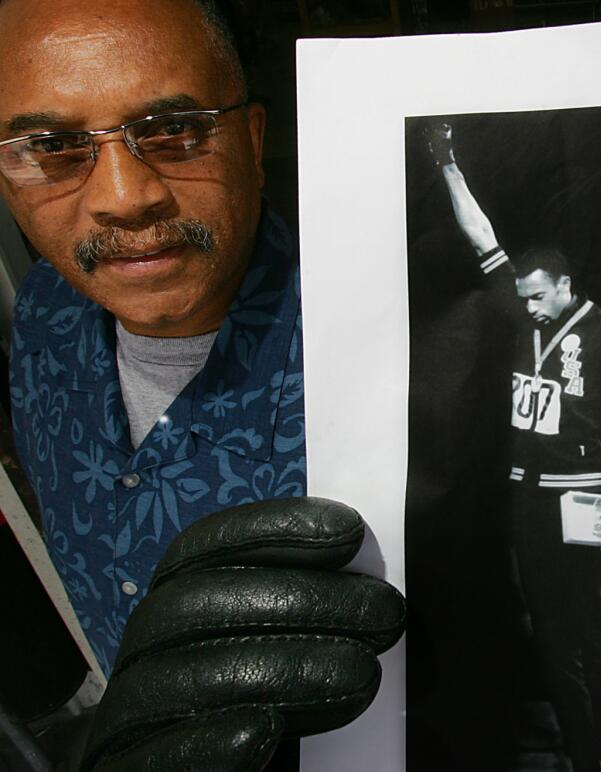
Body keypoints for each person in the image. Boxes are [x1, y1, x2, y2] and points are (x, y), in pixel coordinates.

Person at [0, 1, 404, 769]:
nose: (125, 194)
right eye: (52, 146)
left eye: (173, 129)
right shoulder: (47, 312)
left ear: (253, 141)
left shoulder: (385, 355)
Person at [429, 124, 601, 771]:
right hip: (530, 502)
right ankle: (585, 756)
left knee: (595, 643)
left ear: (562, 286)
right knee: (552, 643)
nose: (525, 307)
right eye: (520, 297)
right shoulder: (525, 317)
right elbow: (483, 239)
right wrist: (446, 164)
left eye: (534, 297)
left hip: (588, 500)